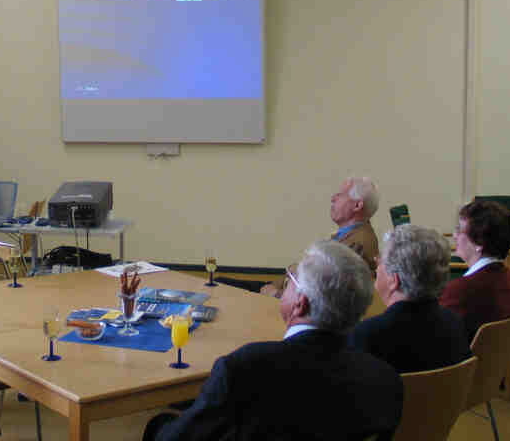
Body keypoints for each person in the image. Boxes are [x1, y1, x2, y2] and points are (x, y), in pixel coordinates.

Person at [148, 241, 403, 441]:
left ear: (300, 303)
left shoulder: (245, 367)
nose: (285, 285)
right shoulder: (386, 380)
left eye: (289, 281)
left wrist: (159, 425)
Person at [218, 176, 381, 297]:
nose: (333, 198)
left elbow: (320, 294)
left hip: (284, 297)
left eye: (341, 195)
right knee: (219, 283)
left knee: (221, 287)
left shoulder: (358, 244)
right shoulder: (353, 234)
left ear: (357, 205)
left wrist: (276, 294)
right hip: (282, 289)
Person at [348, 224, 472, 372]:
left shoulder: (366, 336)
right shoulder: (455, 323)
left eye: (380, 259)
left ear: (394, 281)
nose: (376, 261)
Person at [440, 199, 510, 340]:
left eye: (459, 230)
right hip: (495, 360)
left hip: (465, 360)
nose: (455, 235)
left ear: (479, 243)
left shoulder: (460, 291)